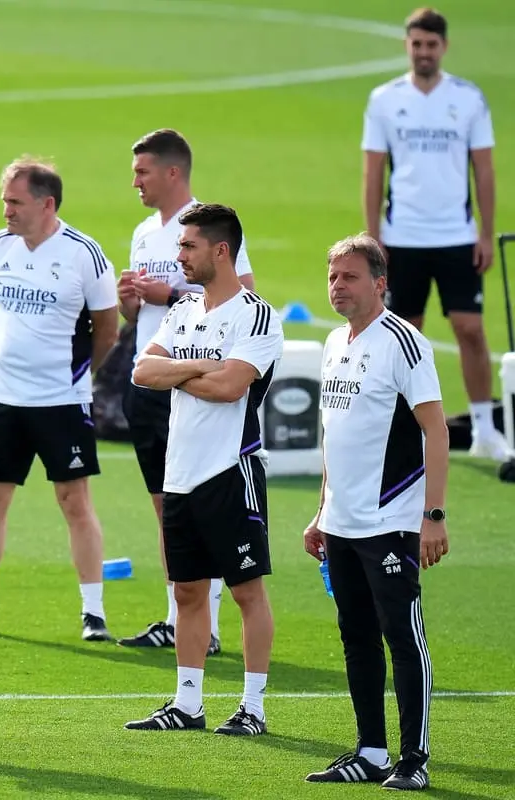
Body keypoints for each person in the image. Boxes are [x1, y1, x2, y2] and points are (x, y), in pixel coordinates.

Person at [0, 157, 121, 641]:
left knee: (74, 501)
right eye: (5, 201)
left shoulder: (84, 254)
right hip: (4, 397)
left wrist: (76, 376)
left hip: (62, 401)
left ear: (47, 204)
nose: (6, 211)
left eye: (15, 202)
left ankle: (93, 614)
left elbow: (108, 330)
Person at [124, 203, 282, 737]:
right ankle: (187, 704)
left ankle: (253, 708)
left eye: (188, 246)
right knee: (187, 593)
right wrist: (198, 366)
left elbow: (231, 386)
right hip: (180, 473)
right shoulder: (184, 309)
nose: (179, 256)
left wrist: (179, 373)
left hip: (229, 471)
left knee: (246, 592)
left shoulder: (255, 315)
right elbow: (142, 370)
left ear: (221, 250)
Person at [303, 234, 449, 791]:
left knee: (403, 638)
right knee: (356, 636)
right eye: (332, 276)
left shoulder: (404, 343)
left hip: (390, 521)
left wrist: (433, 515)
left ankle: (414, 760)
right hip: (341, 523)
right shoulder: (333, 342)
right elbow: (333, 436)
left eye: (350, 277)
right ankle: (369, 751)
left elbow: (436, 430)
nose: (337, 286)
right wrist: (321, 512)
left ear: (380, 283)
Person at [117, 128, 257, 657]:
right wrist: (131, 301)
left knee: (203, 507)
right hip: (150, 380)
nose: (135, 181)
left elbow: (245, 295)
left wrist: (170, 293)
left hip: (194, 384)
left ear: (172, 171)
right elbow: (138, 315)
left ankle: (209, 625)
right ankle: (179, 618)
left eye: (143, 171)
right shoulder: (143, 232)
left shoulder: (209, 227)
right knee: (167, 506)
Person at [361, 7, 507, 461]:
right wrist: (374, 237)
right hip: (402, 237)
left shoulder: (468, 99)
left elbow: (484, 169)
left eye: (431, 45)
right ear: (407, 45)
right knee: (404, 334)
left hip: (456, 236)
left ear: (444, 47)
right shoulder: (384, 100)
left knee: (470, 329)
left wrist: (485, 233)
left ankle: (484, 428)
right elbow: (373, 172)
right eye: (417, 44)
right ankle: (406, 429)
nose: (423, 52)